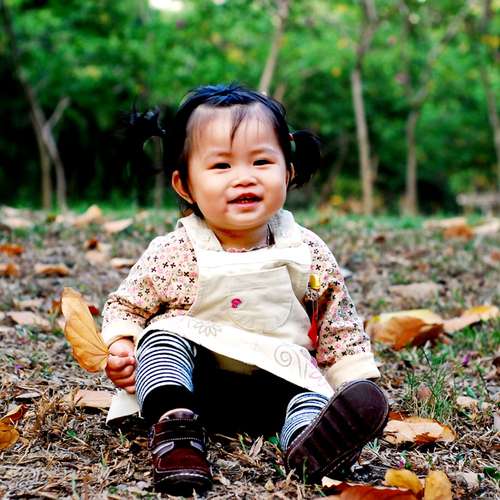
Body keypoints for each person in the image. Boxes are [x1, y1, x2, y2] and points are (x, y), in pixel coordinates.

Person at [101, 84, 388, 496]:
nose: (244, 177)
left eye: (261, 161)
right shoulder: (177, 249)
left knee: (309, 394)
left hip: (276, 382)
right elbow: (126, 306)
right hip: (197, 385)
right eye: (221, 165)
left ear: (287, 172)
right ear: (185, 185)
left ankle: (309, 443)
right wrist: (122, 346)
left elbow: (336, 320)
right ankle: (175, 433)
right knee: (163, 338)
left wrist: (355, 380)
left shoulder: (305, 249)